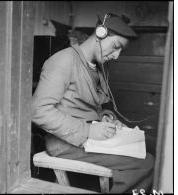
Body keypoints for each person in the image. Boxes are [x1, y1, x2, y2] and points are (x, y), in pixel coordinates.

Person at [32, 13, 154, 193]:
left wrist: (105, 117)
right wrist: (89, 130)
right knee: (147, 162)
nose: (116, 56)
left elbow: (93, 104)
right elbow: (38, 110)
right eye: (115, 47)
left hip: (92, 135)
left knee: (154, 144)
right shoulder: (63, 61)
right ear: (100, 33)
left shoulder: (97, 66)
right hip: (65, 142)